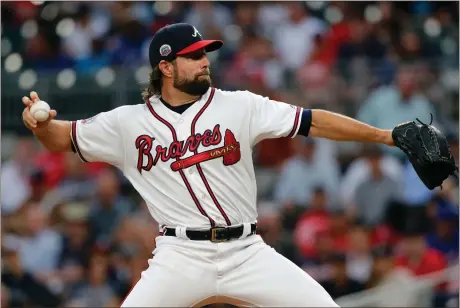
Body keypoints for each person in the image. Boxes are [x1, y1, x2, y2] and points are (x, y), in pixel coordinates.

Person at [22, 23, 397, 307]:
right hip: (180, 256)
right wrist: (40, 126)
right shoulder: (127, 123)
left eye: (205, 54)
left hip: (247, 250)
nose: (205, 62)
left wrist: (384, 136)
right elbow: (63, 137)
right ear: (166, 68)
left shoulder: (240, 105)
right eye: (194, 56)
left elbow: (312, 120)